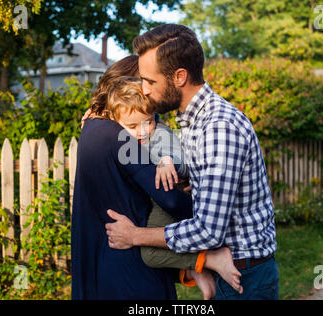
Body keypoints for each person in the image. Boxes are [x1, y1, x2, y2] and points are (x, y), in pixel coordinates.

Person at [105, 24, 279, 300]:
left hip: (244, 279)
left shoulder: (218, 127)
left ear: (179, 77)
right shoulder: (191, 122)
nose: (145, 91)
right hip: (234, 273)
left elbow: (208, 231)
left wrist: (135, 236)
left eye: (150, 81)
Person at [73, 57, 239, 300]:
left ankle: (200, 265)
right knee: (155, 249)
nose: (151, 89)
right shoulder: (119, 130)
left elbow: (172, 187)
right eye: (146, 82)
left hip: (125, 248)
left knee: (156, 246)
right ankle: (199, 265)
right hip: (130, 260)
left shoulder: (136, 127)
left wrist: (172, 166)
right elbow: (170, 199)